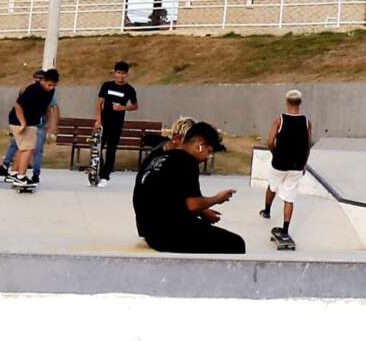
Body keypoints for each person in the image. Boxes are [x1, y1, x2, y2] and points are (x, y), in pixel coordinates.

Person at [133, 121, 244, 255]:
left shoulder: (157, 158)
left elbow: (166, 195)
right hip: (169, 234)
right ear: (199, 145)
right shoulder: (186, 162)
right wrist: (217, 198)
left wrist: (202, 212)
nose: (208, 157)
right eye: (208, 152)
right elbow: (192, 205)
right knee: (236, 244)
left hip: (149, 231)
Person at [259, 90, 313, 250]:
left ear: (287, 102)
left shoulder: (279, 120)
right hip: (296, 166)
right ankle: (285, 229)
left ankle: (267, 210)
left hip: (279, 163)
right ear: (300, 102)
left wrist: (275, 153)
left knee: (272, 186)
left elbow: (269, 141)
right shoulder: (306, 122)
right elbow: (308, 144)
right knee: (289, 198)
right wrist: (303, 163)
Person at [3, 68, 58, 192]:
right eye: (49, 85)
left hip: (32, 122)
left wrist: (49, 124)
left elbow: (47, 108)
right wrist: (22, 122)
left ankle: (13, 173)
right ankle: (21, 177)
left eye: (53, 85)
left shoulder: (51, 91)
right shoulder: (33, 90)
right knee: (28, 148)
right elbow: (18, 105)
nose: (51, 88)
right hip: (18, 120)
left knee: (23, 148)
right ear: (42, 81)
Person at [89, 60, 138, 187]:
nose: (120, 75)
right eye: (118, 72)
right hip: (104, 121)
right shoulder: (107, 85)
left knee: (111, 150)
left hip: (117, 123)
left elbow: (135, 106)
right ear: (114, 73)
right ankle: (97, 172)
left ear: (126, 75)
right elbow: (99, 103)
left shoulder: (129, 89)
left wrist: (123, 108)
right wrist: (98, 119)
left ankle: (105, 176)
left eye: (123, 73)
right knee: (98, 148)